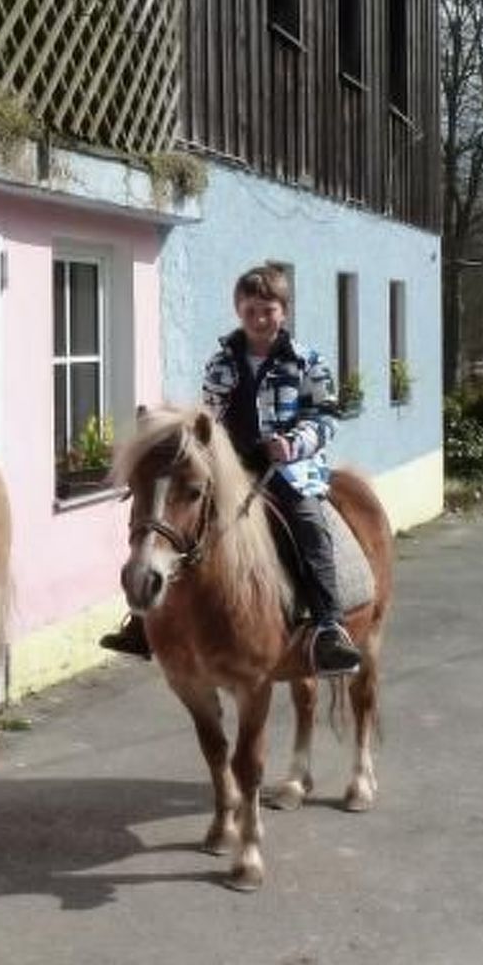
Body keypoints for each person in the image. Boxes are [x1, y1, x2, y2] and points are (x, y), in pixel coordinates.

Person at [102, 261, 361, 677]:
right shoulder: (221, 361)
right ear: (238, 311)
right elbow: (211, 418)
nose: (259, 319)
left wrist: (292, 443)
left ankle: (329, 626)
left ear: (284, 311)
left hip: (287, 469)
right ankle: (143, 619)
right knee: (182, 521)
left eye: (268, 310)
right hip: (233, 468)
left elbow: (326, 417)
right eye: (250, 310)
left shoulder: (307, 362)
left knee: (308, 523)